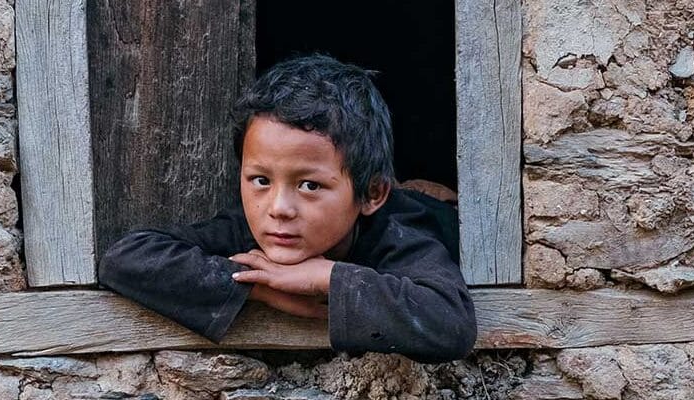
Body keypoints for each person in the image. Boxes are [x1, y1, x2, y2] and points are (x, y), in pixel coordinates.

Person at [97, 55, 475, 363]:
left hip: (433, 210)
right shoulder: (249, 231)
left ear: (372, 193)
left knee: (433, 198)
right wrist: (257, 287)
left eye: (309, 185)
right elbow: (125, 259)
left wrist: (328, 276)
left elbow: (449, 322)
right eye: (260, 180)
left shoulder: (401, 231)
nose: (278, 208)